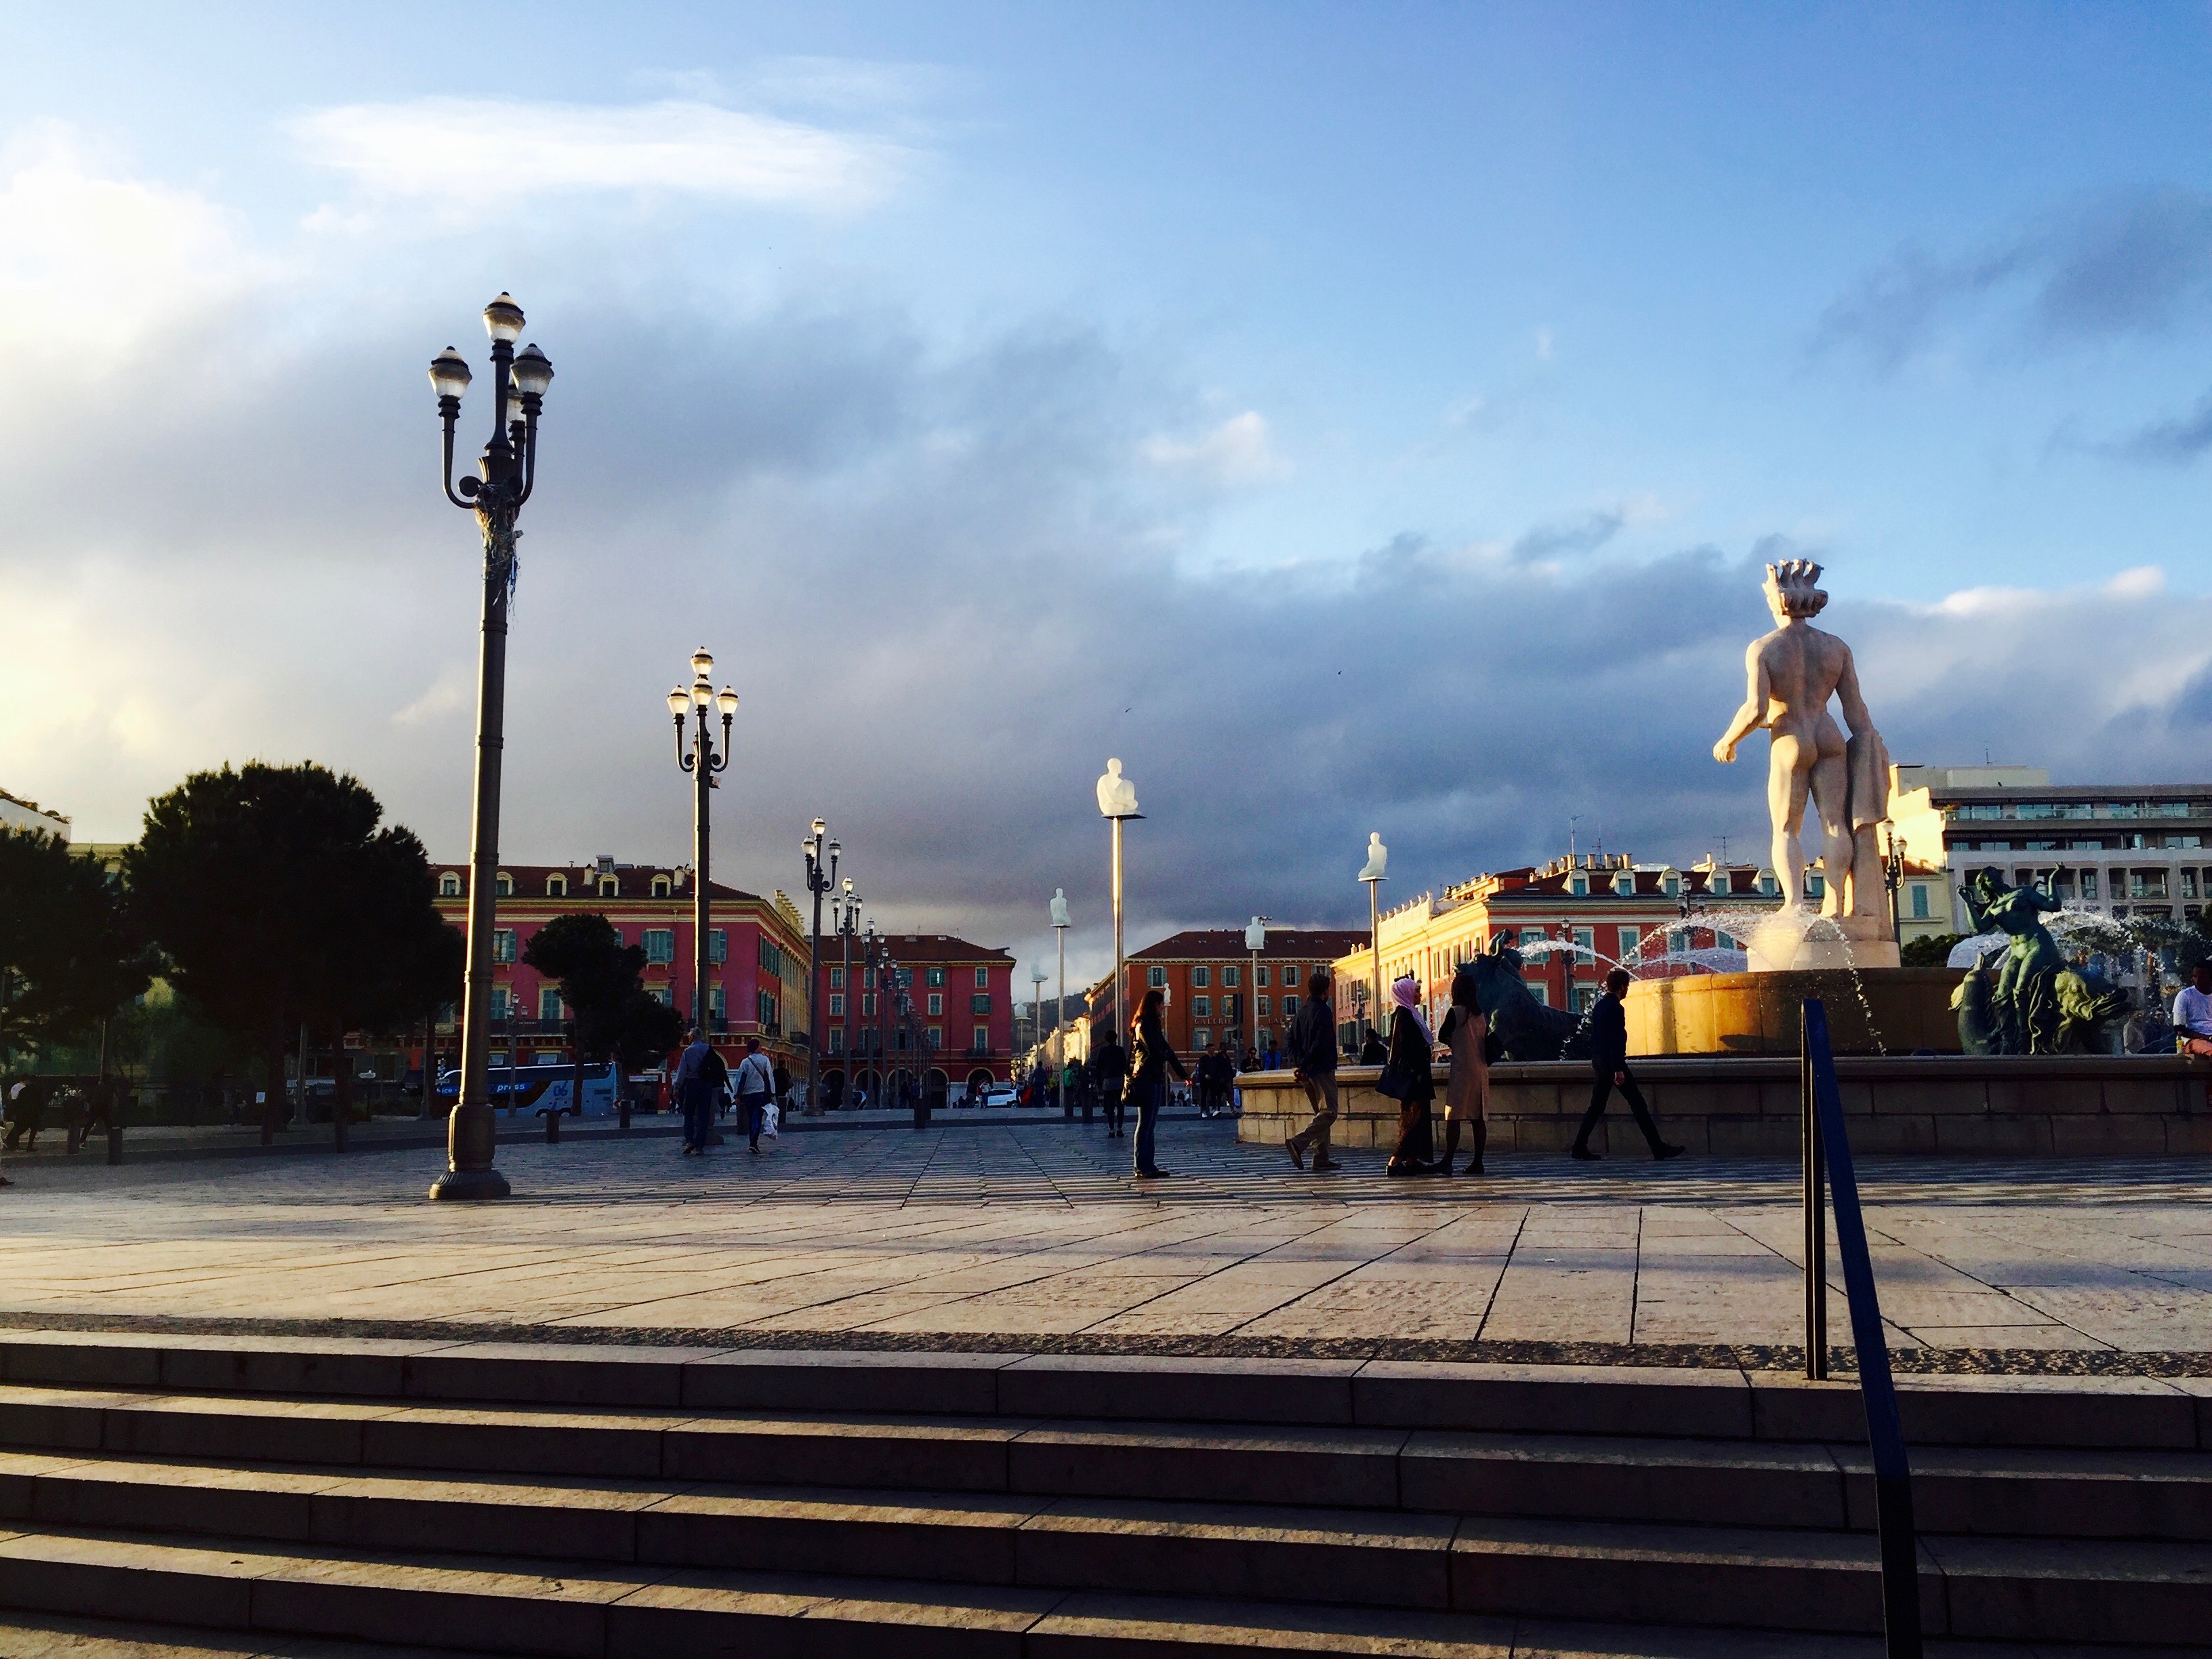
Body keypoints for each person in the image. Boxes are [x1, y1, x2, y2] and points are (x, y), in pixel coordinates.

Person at [1572, 968, 1685, 1162]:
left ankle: (1579, 1147)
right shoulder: (1616, 1008)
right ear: (1623, 987)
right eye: (1627, 987)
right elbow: (1615, 1039)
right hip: (1613, 1064)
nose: (1627, 991)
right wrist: (1618, 1068)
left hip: (1600, 1061)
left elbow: (1598, 1038)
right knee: (1638, 1104)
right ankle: (1658, 1149)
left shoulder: (1599, 1006)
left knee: (1596, 1107)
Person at [1284, 971, 1340, 1171]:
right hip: (1321, 1068)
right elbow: (1320, 1042)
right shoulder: (1323, 1011)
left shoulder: (1301, 1013)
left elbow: (1290, 1040)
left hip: (1307, 1071)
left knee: (1320, 1113)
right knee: (1330, 1112)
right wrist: (1307, 1063)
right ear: (1325, 992)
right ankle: (1298, 1143)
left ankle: (1321, 1157)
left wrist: (1300, 1064)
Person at [1126, 987, 1185, 1176]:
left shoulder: (1152, 1025)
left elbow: (1167, 1050)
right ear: (1155, 1005)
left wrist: (1183, 1075)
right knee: (1144, 1124)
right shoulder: (1143, 1025)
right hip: (1145, 1078)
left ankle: (1149, 1166)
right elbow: (1155, 1051)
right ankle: (1140, 1166)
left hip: (1155, 1077)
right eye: (1161, 1005)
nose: (1163, 1009)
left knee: (1150, 1125)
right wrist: (1165, 1056)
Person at [1383, 975, 1437, 1176]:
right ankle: (1394, 1162)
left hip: (1416, 1075)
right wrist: (1419, 1064)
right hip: (1414, 1077)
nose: (1419, 995)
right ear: (1406, 993)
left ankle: (1412, 1161)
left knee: (1416, 1118)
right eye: (1416, 991)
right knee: (1414, 1118)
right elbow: (1407, 1046)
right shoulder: (1404, 1015)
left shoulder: (1408, 1013)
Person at [1438, 972, 1490, 1176]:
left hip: (1462, 1069)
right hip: (1481, 1069)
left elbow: (1442, 1035)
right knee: (1478, 1117)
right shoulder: (1480, 1014)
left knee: (1454, 1116)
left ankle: (1448, 1161)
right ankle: (1478, 1162)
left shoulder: (1456, 1012)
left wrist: (1455, 1043)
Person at [672, 1029, 724, 1156]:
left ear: (693, 1037)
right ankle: (700, 1146)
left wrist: (677, 1088)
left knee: (689, 1114)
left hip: (691, 1084)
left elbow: (682, 1072)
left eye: (689, 1036)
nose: (688, 1038)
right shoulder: (708, 1049)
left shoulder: (688, 1051)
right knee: (704, 1115)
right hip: (706, 1085)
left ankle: (690, 1140)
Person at [733, 1037, 776, 1153]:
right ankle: (753, 1142)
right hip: (761, 1094)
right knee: (757, 1117)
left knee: (751, 1117)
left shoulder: (745, 1062)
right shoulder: (765, 1060)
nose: (761, 1048)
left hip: (748, 1095)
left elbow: (740, 1080)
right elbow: (769, 1078)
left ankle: (752, 1141)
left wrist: (737, 1096)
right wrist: (772, 1093)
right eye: (760, 1046)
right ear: (757, 1048)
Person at [1092, 1026, 1128, 1137]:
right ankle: (1120, 1129)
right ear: (1116, 1038)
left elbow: (1098, 1068)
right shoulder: (1120, 1050)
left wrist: (1099, 1083)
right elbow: (1125, 1065)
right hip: (1119, 1080)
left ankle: (1111, 1130)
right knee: (1121, 1106)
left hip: (1108, 1081)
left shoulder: (1103, 1051)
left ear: (1106, 1039)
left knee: (1110, 1107)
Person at [2175, 962, 2212, 1059]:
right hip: (2193, 1041)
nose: (2197, 980)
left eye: (2202, 977)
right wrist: (2208, 1037)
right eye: (2195, 976)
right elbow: (2179, 1030)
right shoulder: (2184, 996)